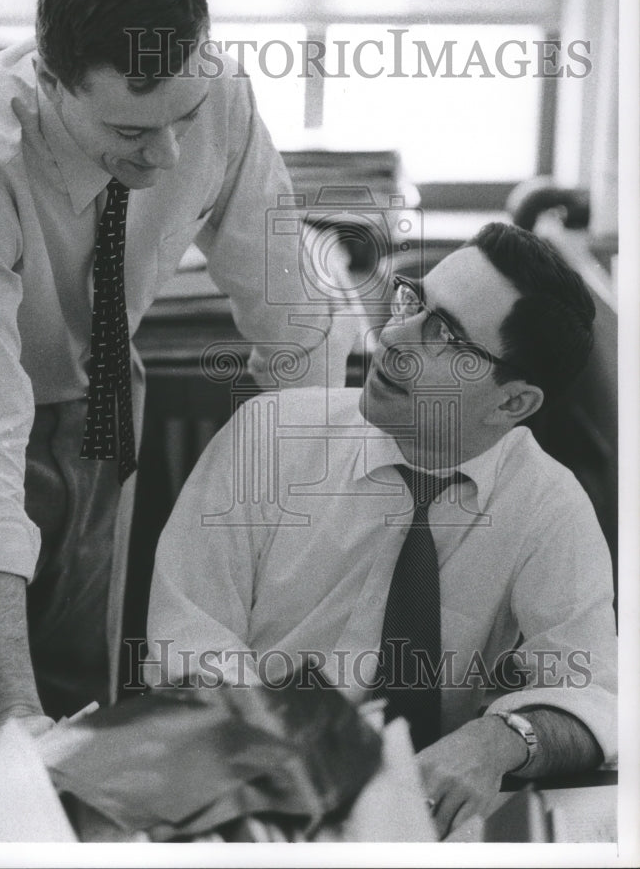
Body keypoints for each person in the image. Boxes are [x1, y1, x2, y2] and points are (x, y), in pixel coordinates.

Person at [0, 0, 356, 748]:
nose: (169, 153)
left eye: (185, 117)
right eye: (133, 133)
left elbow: (293, 311)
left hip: (103, 395)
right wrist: (12, 713)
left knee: (83, 683)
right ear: (55, 77)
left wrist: (309, 517)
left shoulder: (216, 92)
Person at [145, 222, 618, 838]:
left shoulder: (548, 506)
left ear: (512, 404)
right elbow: (185, 647)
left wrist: (501, 739)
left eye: (444, 335)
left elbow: (598, 694)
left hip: (416, 822)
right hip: (247, 793)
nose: (392, 337)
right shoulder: (267, 438)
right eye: (412, 300)